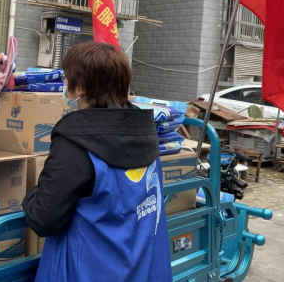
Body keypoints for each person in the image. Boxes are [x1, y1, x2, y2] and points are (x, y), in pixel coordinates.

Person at [23, 42, 172, 282]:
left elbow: (43, 218)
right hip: (143, 271)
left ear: (81, 87)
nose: (64, 83)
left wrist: (30, 196)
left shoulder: (75, 142)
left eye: (67, 77)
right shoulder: (145, 133)